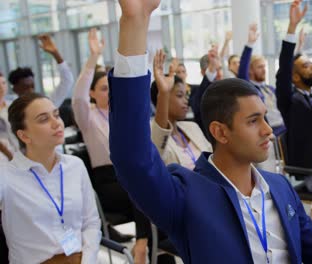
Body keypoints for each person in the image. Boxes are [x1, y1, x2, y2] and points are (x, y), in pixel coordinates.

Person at [107, 0, 312, 263]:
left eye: (265, 119)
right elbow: (133, 159)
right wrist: (134, 21)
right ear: (221, 133)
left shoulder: (280, 187)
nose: (268, 130)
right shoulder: (188, 196)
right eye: (253, 121)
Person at [71, 29, 151, 260]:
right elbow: (78, 97)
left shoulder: (121, 115)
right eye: (104, 89)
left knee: (151, 187)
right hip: (108, 180)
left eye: (111, 88)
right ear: (93, 93)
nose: (109, 93)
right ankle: (142, 245)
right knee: (141, 191)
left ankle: (152, 247)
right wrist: (93, 58)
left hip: (131, 174)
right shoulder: (88, 118)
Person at [1, 92, 100, 263]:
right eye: (43, 119)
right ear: (24, 135)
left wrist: (87, 260)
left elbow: (90, 222)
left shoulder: (75, 166)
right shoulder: (6, 176)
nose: (57, 124)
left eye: (56, 115)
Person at [275, 1, 312, 193]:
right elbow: (284, 67)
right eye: (306, 66)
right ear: (295, 76)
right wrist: (292, 28)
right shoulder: (292, 101)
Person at [151, 50, 212, 169]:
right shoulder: (151, 133)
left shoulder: (192, 127)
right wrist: (164, 92)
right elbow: (157, 151)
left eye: (186, 96)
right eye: (179, 95)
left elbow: (213, 158)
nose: (186, 101)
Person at [7, 35, 74, 107]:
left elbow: (67, 81)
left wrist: (56, 54)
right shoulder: (10, 108)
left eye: (32, 87)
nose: (30, 91)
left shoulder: (45, 104)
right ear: (15, 89)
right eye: (25, 88)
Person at [0, 72, 18, 161]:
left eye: (3, 83)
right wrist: (8, 155)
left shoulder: (13, 105)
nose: (1, 87)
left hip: (18, 151)